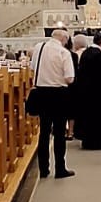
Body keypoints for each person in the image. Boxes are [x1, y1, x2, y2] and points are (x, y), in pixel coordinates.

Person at [30, 27, 75, 180]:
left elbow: (32, 68)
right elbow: (69, 78)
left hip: (41, 93)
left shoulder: (38, 48)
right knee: (59, 132)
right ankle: (60, 168)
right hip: (59, 94)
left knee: (44, 132)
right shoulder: (64, 53)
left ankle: (43, 169)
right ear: (64, 39)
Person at [75, 30, 101, 150]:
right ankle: (92, 142)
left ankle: (100, 136)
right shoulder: (96, 54)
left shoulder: (90, 52)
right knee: (94, 116)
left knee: (100, 114)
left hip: (92, 90)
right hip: (95, 91)